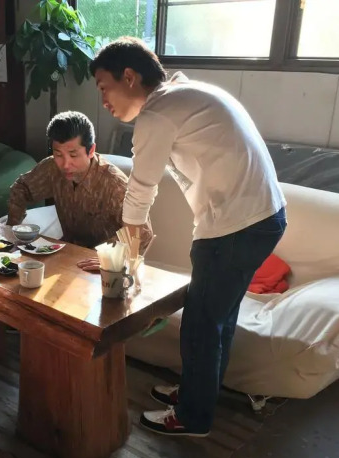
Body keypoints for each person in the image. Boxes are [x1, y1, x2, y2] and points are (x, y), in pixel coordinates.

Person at [90, 37, 286, 437]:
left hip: (238, 226)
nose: (104, 101)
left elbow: (140, 191)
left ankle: (193, 417)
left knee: (200, 324)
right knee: (218, 320)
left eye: (104, 87)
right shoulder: (187, 93)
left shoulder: (159, 112)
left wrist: (125, 260)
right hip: (263, 218)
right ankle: (199, 394)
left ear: (129, 77)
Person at [6, 110, 152, 271]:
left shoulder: (114, 184)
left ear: (91, 150)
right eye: (58, 154)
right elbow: (21, 188)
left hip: (106, 266)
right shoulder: (52, 168)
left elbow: (143, 233)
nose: (65, 164)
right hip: (68, 255)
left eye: (73, 155)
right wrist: (12, 230)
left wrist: (109, 257)